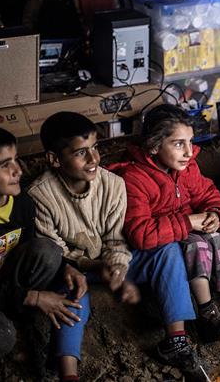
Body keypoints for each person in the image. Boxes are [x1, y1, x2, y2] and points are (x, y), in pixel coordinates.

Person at [28, 112, 205, 380]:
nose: (93, 160)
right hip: (74, 269)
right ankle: (67, 372)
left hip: (113, 261)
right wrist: (94, 267)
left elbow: (116, 238)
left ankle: (177, 340)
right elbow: (56, 249)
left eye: (95, 148)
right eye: (80, 153)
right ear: (54, 159)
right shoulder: (39, 195)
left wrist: (118, 268)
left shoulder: (112, 184)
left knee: (167, 252)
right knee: (72, 297)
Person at [111, 104, 220, 342]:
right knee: (198, 244)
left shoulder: (186, 167)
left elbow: (207, 193)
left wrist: (215, 212)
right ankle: (207, 313)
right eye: (178, 143)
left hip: (184, 228)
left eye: (190, 141)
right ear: (154, 146)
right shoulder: (133, 178)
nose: (189, 151)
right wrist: (188, 222)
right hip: (159, 243)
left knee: (214, 237)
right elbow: (141, 233)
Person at [0, 127, 84, 377]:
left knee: (49, 250)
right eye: (5, 165)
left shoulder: (21, 201)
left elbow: (32, 244)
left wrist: (68, 265)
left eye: (16, 159)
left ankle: (29, 320)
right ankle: (22, 321)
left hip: (13, 279)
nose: (18, 170)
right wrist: (36, 298)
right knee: (2, 338)